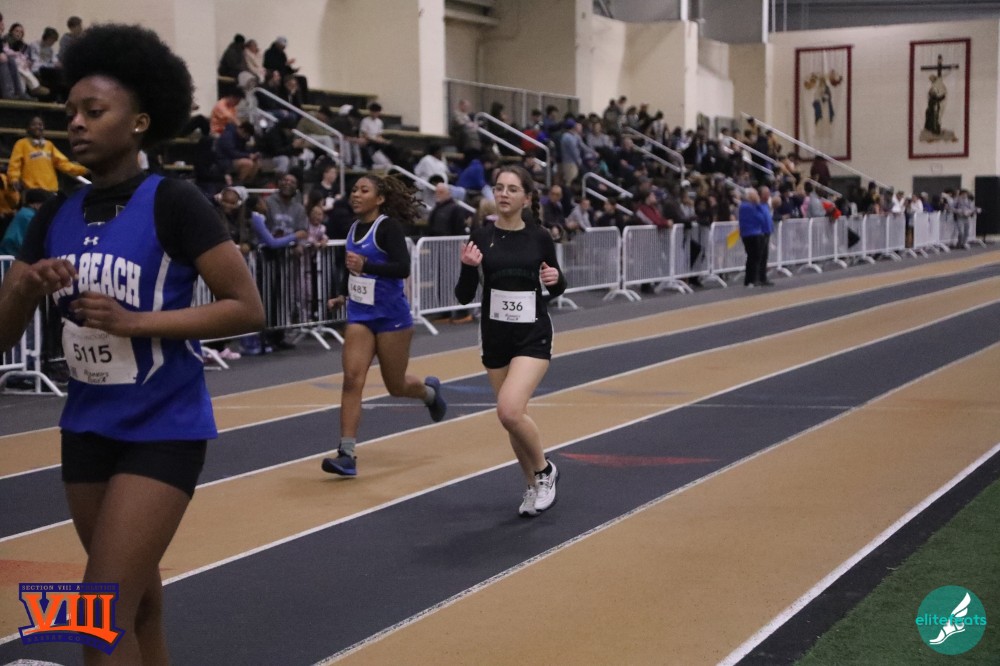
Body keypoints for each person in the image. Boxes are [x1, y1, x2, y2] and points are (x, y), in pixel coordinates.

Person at [0, 24, 265, 664]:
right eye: (72, 112)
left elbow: (247, 308)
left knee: (97, 615)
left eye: (94, 111)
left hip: (164, 426)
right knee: (138, 603)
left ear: (140, 121)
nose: (76, 123)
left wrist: (134, 322)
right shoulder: (51, 214)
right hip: (86, 427)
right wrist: (25, 288)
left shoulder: (175, 202)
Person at [455, 165, 566, 517]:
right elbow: (463, 296)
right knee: (512, 418)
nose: (503, 194)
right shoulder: (480, 235)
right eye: (499, 188)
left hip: (532, 334)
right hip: (494, 337)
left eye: (512, 189)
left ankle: (545, 472)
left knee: (509, 409)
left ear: (526, 198)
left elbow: (557, 284)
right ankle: (531, 485)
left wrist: (556, 279)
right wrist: (468, 266)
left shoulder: (539, 237)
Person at [321, 173, 447, 477]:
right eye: (354, 189)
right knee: (352, 380)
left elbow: (402, 267)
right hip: (360, 316)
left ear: (379, 199)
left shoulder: (387, 227)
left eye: (364, 190)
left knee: (396, 385)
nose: (356, 194)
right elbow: (352, 270)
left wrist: (368, 265)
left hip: (392, 318)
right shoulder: (353, 229)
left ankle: (429, 394)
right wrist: (342, 294)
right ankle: (347, 454)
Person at [7, 116, 88, 192]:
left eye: (40, 125)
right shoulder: (21, 144)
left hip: (51, 189)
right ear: (27, 128)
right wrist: (14, 179)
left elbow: (63, 164)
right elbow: (14, 164)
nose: (37, 127)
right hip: (32, 190)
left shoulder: (49, 145)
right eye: (34, 125)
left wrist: (84, 170)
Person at [0, 188, 51, 256]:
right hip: (11, 252)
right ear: (35, 204)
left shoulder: (26, 212)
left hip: (13, 250)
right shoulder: (28, 216)